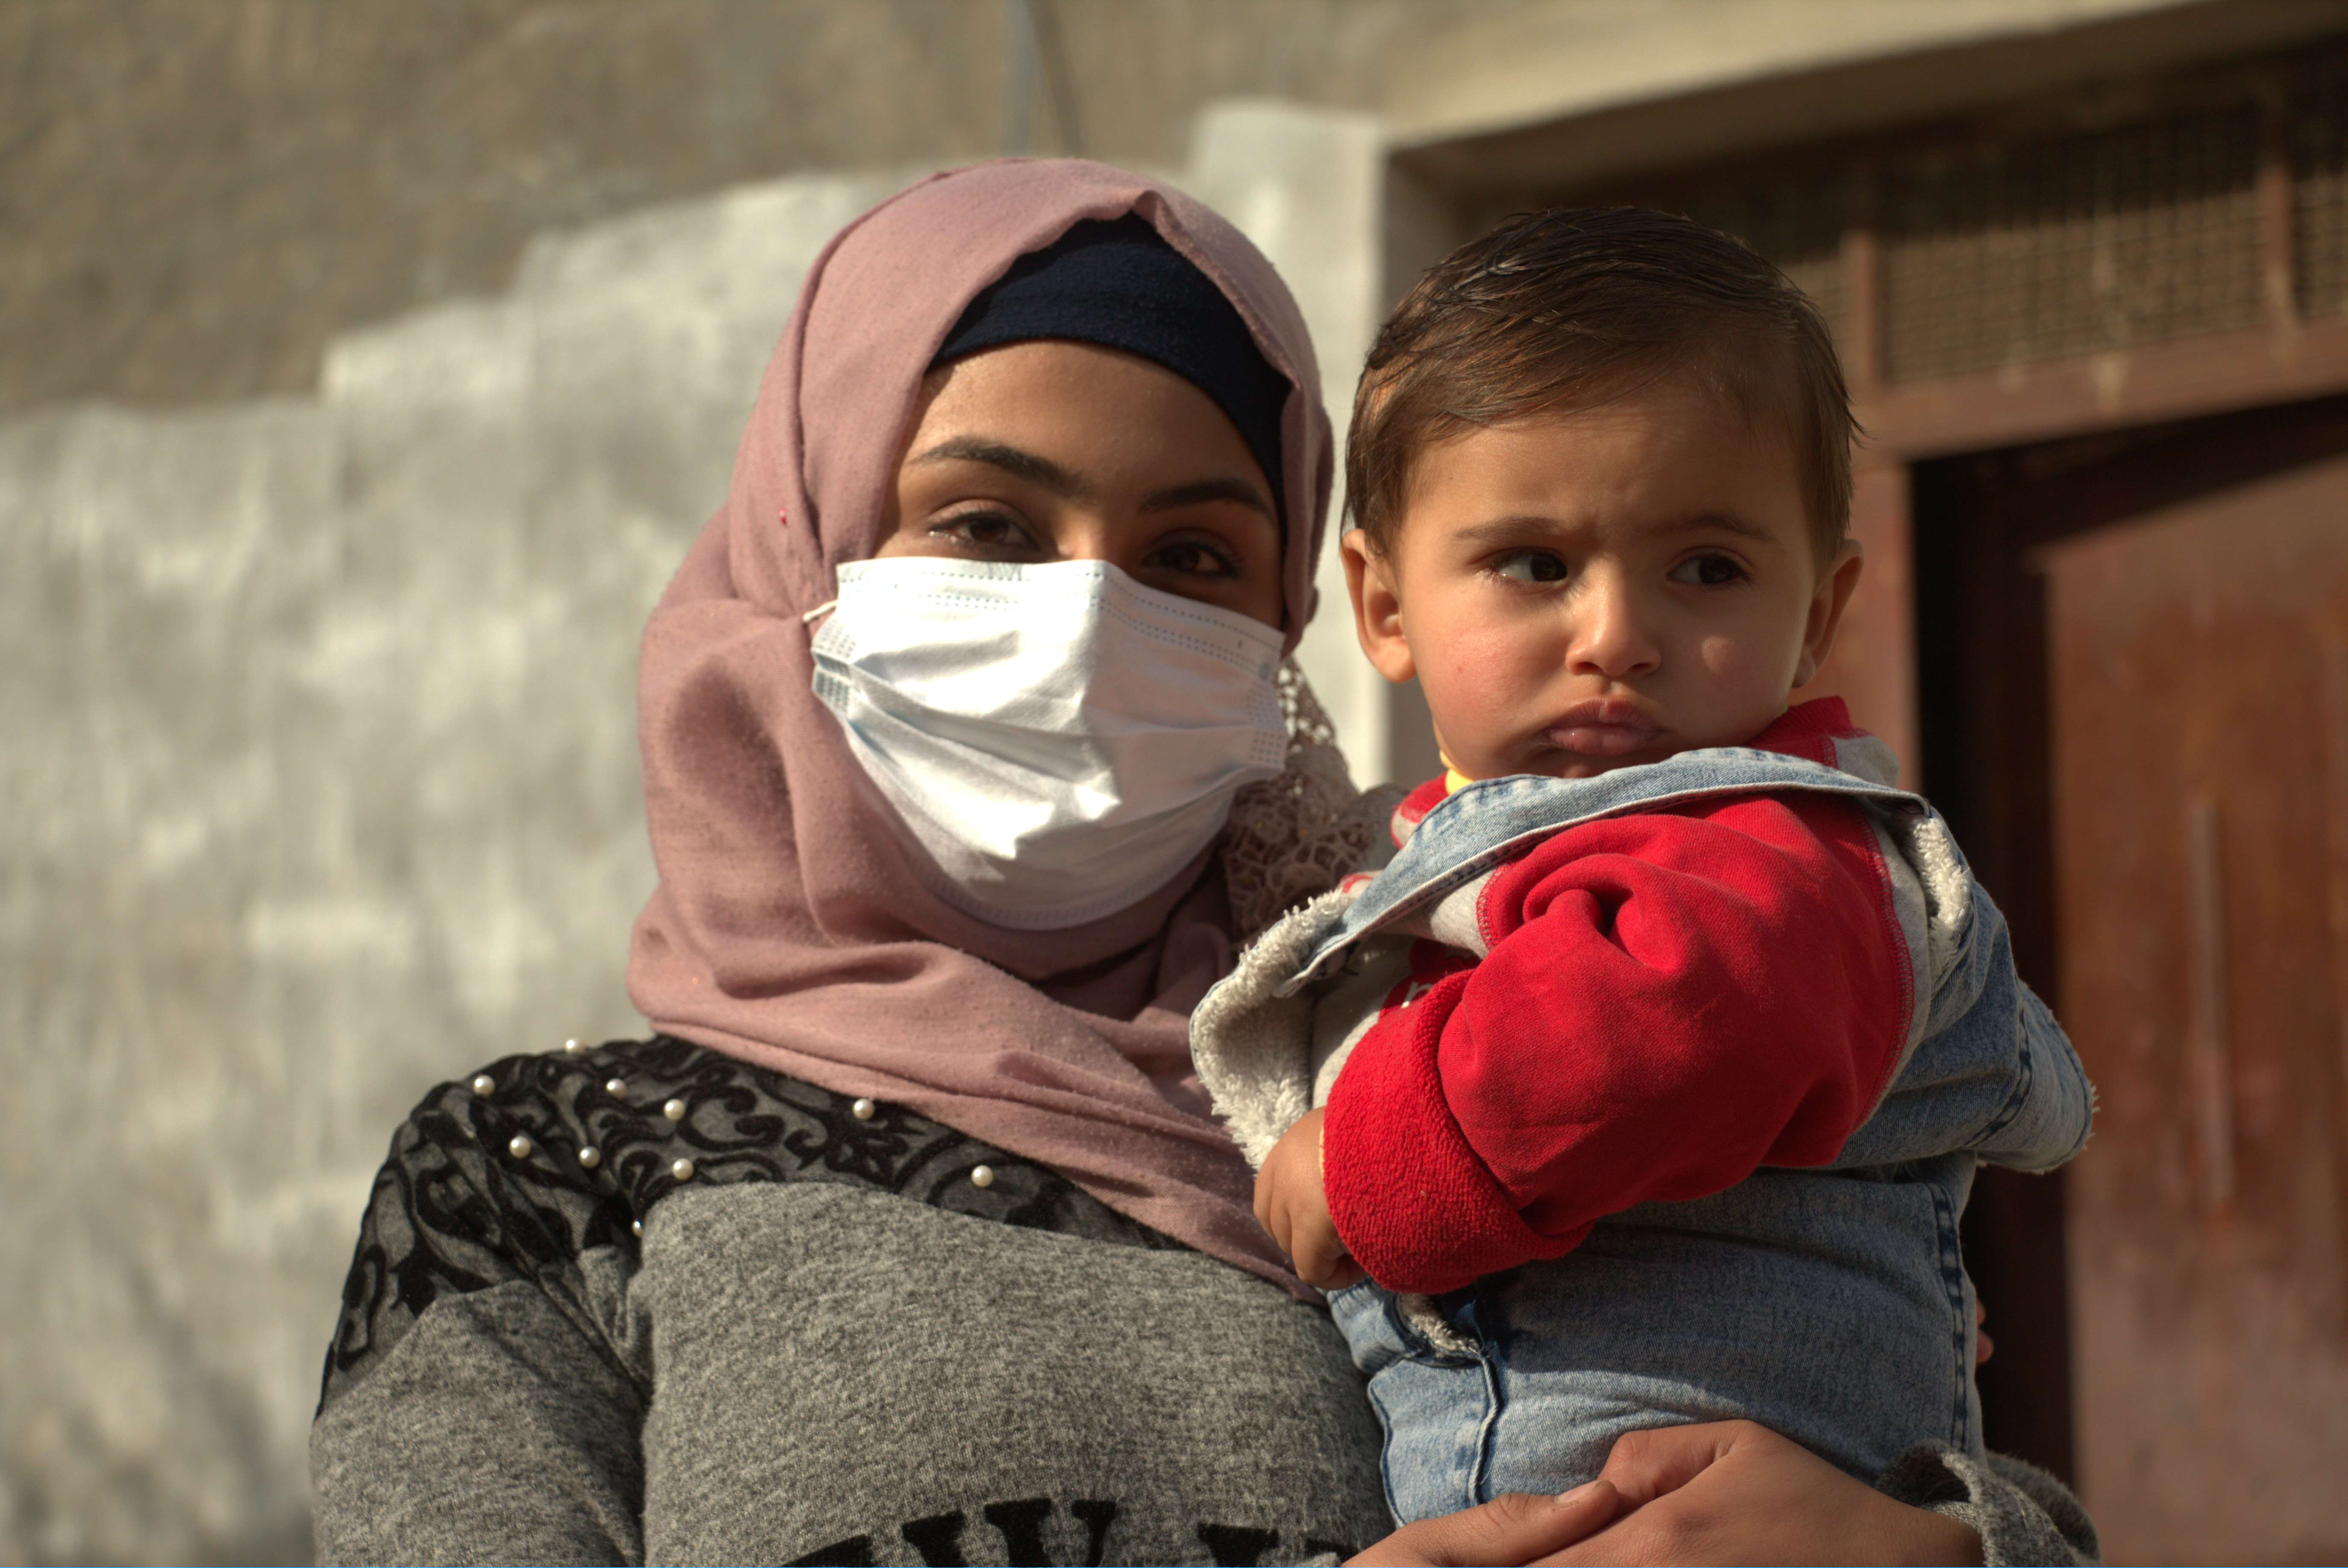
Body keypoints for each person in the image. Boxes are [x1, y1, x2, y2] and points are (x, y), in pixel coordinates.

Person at [308, 161, 2097, 1566]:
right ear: (805, 544)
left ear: (1302, 621)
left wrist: (1945, 1548)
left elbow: (1860, 1370)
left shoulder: (1393, 1047)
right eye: (990, 528)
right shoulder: (539, 1179)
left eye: (1191, 553)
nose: (1090, 612)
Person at [1195, 207, 2093, 1520]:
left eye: (1708, 568)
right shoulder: (1408, 857)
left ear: (1816, 617)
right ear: (1385, 608)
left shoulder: (1776, 843)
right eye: (1535, 564)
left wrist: (1372, 1160)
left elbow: (1687, 1006)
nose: (1619, 634)